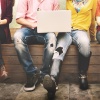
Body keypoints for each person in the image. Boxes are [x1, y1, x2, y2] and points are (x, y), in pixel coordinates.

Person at [43, 0, 97, 99]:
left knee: (85, 44)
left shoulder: (93, 1)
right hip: (66, 31)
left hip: (80, 30)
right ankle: (53, 80)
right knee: (59, 49)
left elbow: (92, 19)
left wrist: (92, 36)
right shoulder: (69, 0)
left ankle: (83, 75)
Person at [13, 0, 59, 92]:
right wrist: (33, 25)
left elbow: (56, 19)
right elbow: (18, 19)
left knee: (52, 38)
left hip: (46, 30)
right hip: (28, 29)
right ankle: (31, 74)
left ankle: (44, 75)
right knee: (17, 37)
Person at [0, 0, 13, 80]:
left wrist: (1, 21)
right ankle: (2, 68)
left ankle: (2, 68)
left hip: (1, 29)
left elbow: (9, 18)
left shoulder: (7, 1)